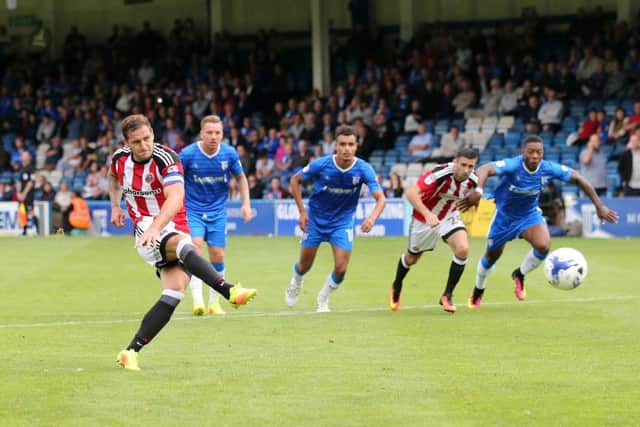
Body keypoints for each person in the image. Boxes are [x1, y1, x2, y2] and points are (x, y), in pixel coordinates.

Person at [109, 114, 256, 371]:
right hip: (145, 227)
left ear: (153, 134)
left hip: (171, 224)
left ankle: (130, 351)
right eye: (137, 142)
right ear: (126, 143)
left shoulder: (167, 158)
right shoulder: (119, 159)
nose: (144, 145)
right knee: (184, 247)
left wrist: (158, 227)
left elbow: (175, 198)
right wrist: (115, 206)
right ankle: (229, 291)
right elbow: (112, 177)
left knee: (173, 293)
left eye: (147, 138)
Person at [461, 135, 618, 308]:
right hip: (504, 218)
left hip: (529, 216)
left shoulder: (547, 168)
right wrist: (478, 191)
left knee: (543, 246)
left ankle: (520, 274)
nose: (535, 156)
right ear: (523, 152)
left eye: (539, 152)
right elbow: (484, 169)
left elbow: (578, 178)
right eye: (531, 152)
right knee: (491, 257)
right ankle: (478, 289)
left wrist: (599, 205)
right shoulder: (513, 165)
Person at [285, 125, 386, 312]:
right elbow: (295, 180)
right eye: (342, 144)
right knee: (305, 265)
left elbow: (381, 198)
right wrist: (302, 212)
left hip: (342, 223)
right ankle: (296, 281)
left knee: (341, 268)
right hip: (315, 221)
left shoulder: (364, 169)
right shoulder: (321, 165)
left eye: (351, 144)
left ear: (356, 146)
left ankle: (322, 299)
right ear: (335, 146)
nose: (347, 148)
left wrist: (372, 218)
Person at [389, 148, 478, 313]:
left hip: (449, 216)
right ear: (455, 161)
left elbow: (474, 192)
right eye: (463, 165)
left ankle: (447, 295)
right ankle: (397, 284)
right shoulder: (440, 173)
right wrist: (427, 213)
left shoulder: (473, 179)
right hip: (424, 218)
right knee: (412, 258)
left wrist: (475, 199)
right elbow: (411, 193)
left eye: (470, 166)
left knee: (463, 249)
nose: (466, 170)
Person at [179, 115, 252, 316]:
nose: (213, 136)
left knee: (218, 256)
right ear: (201, 133)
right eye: (209, 132)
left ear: (222, 134)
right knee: (195, 250)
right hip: (192, 211)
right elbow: (174, 179)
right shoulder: (187, 154)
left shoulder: (228, 153)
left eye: (217, 132)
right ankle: (197, 301)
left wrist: (246, 203)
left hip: (218, 213)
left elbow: (241, 178)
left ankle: (214, 303)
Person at [16, 151, 38, 236]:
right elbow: (19, 182)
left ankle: (38, 231)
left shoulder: (31, 168)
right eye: (22, 156)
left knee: (31, 211)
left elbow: (30, 183)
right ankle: (24, 232)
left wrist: (24, 193)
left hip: (28, 194)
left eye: (25, 156)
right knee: (23, 212)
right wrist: (18, 193)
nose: (23, 157)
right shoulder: (22, 168)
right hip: (22, 194)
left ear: (29, 157)